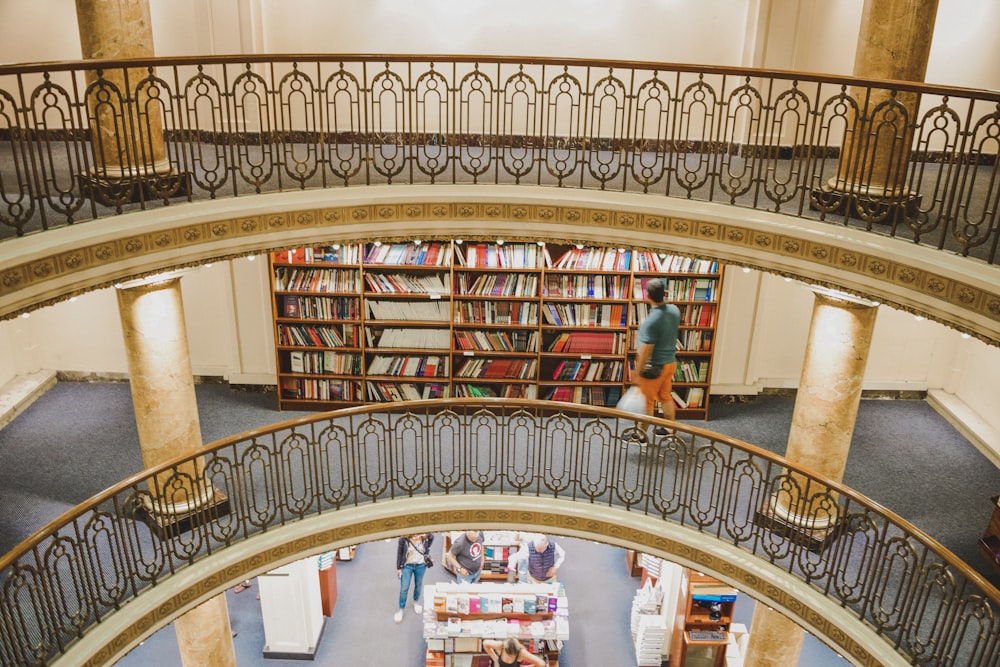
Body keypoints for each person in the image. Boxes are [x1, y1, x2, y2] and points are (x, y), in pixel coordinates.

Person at [634, 277, 681, 436]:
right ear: (664, 293)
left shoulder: (651, 321)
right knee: (665, 397)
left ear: (648, 296)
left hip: (654, 368)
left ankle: (640, 436)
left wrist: (637, 372)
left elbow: (646, 350)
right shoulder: (674, 310)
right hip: (670, 363)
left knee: (647, 403)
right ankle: (669, 429)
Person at [395, 533, 434, 623]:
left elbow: (431, 537)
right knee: (404, 588)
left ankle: (415, 602)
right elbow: (399, 553)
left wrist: (423, 535)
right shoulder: (403, 539)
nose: (415, 536)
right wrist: (398, 568)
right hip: (407, 566)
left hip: (421, 565)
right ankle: (401, 609)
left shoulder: (426, 538)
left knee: (418, 584)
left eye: (417, 534)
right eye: (413, 534)